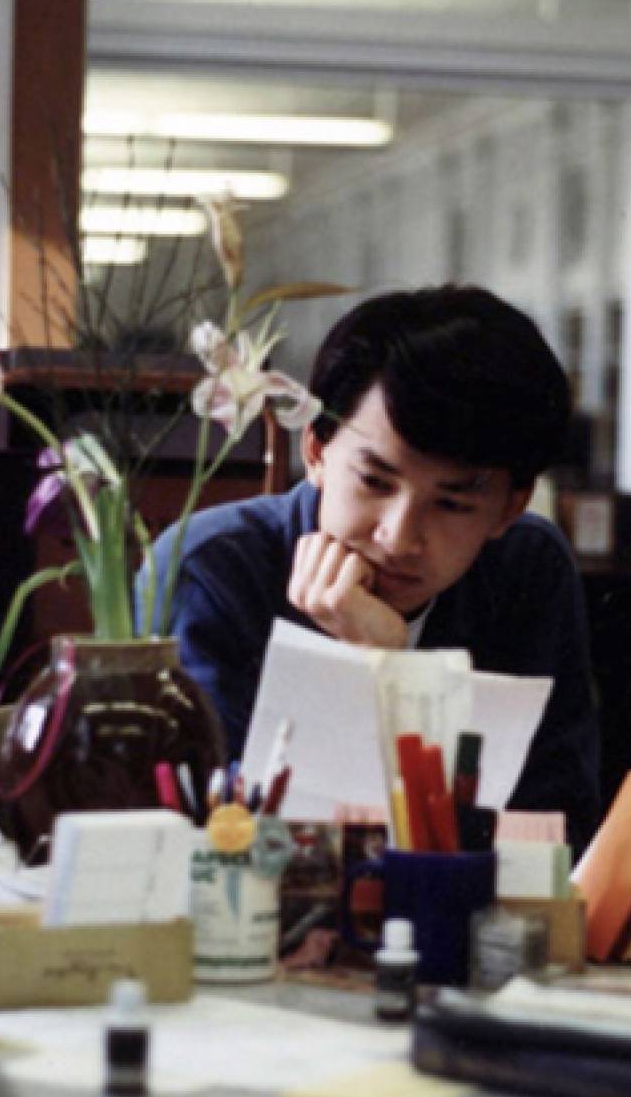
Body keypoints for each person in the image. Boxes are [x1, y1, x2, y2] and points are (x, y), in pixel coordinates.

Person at [149, 285, 601, 851]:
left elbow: (555, 829)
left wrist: (392, 670)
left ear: (509, 507)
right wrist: (354, 673)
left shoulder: (527, 569)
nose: (400, 537)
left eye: (453, 503)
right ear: (316, 451)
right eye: (374, 482)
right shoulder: (210, 567)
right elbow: (226, 836)